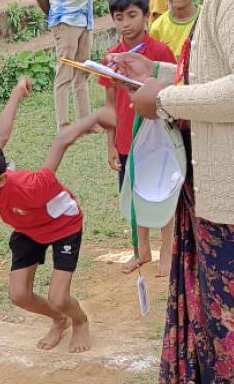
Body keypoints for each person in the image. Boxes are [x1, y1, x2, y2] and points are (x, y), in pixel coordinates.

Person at [112, 0, 234, 384]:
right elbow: (217, 73)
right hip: (220, 195)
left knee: (232, 337)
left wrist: (164, 97)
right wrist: (161, 75)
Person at [0, 78, 115, 353]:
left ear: (1, 180)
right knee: (18, 295)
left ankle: (79, 321)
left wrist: (97, 116)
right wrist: (17, 90)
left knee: (59, 296)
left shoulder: (32, 186)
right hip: (28, 227)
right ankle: (59, 320)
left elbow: (62, 140)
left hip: (63, 224)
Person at [101, 0, 175, 277]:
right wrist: (110, 143)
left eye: (132, 15)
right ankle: (141, 249)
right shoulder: (111, 58)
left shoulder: (159, 52)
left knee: (163, 191)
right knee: (134, 194)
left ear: (146, 16)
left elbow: (173, 88)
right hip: (125, 138)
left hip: (157, 136)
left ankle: (167, 249)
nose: (126, 23)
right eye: (119, 17)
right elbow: (109, 104)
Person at [36, 0, 94, 131]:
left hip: (85, 19)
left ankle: (85, 123)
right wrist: (56, 14)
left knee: (82, 73)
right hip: (65, 21)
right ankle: (63, 126)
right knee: (64, 75)